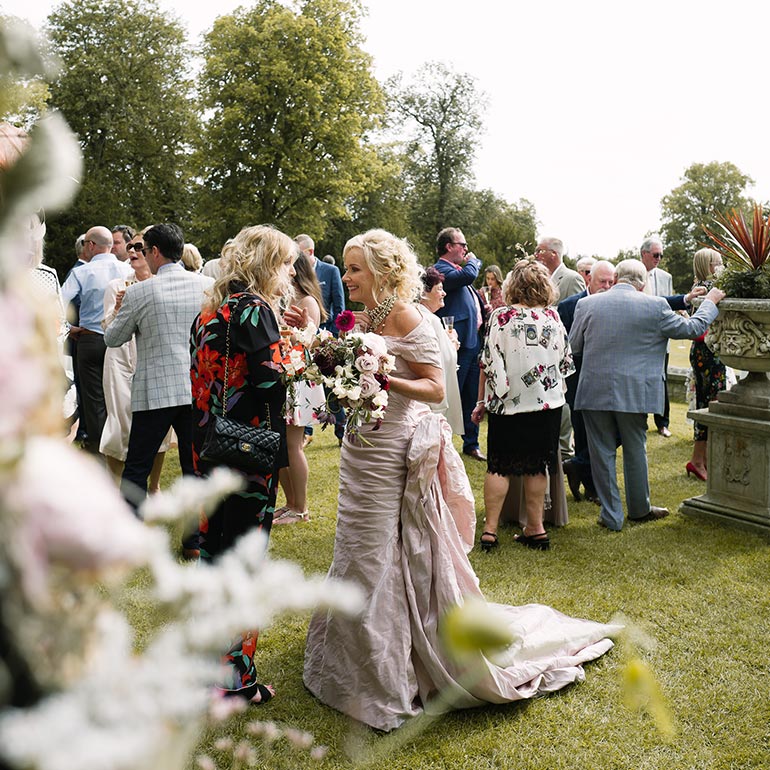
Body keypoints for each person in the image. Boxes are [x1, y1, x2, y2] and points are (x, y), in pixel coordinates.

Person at [304, 229, 620, 733]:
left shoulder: (410, 317)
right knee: (356, 546)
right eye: (347, 267)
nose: (346, 277)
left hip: (393, 452)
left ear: (384, 273)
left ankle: (394, 665)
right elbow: (356, 374)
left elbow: (433, 388)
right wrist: (339, 373)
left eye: (355, 268)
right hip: (361, 446)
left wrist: (382, 379)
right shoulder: (362, 317)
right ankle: (354, 655)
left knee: (380, 549)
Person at [190, 224, 294, 702]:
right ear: (268, 264)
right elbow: (270, 383)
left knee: (214, 553)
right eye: (287, 263)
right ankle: (237, 680)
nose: (291, 273)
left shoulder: (209, 311)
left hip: (209, 448)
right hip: (249, 453)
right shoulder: (254, 310)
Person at [569, 259, 725, 531]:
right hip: (635, 391)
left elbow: (575, 348)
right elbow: (693, 329)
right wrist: (710, 300)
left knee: (602, 452)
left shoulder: (587, 304)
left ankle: (611, 516)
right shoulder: (656, 306)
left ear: (616, 278)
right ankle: (640, 510)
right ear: (643, 283)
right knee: (634, 448)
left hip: (594, 388)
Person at [104, 223, 213, 560]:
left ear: (154, 252)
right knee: (193, 467)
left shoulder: (140, 292)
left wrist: (122, 308)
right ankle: (194, 542)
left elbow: (112, 338)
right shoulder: (208, 286)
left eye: (143, 250)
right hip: (196, 389)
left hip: (154, 390)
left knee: (137, 465)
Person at [471, 259, 574, 552]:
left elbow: (488, 361)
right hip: (547, 404)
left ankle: (490, 531)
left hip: (507, 403)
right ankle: (536, 528)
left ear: (512, 286)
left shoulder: (500, 317)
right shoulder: (554, 318)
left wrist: (483, 401)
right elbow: (565, 364)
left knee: (499, 466)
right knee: (536, 467)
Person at [99, 232, 170, 490]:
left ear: (152, 251)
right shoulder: (116, 286)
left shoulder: (161, 285)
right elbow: (107, 328)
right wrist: (118, 309)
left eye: (138, 246)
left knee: (157, 424)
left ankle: (154, 487)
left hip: (151, 355)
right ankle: (116, 489)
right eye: (129, 246)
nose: (132, 250)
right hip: (119, 358)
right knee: (119, 424)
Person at [62, 226, 133, 455]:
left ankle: (98, 449)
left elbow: (57, 303)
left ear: (91, 245)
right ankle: (123, 445)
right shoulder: (127, 269)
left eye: (85, 244)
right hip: (122, 340)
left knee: (94, 399)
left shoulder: (82, 272)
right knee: (121, 395)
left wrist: (69, 328)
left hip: (90, 340)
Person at [275, 249, 327, 524]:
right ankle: (289, 502)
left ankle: (301, 508)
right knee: (281, 445)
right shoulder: (284, 297)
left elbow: (308, 341)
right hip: (284, 372)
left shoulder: (307, 301)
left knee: (293, 445)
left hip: (297, 375)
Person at [433, 227, 485, 460]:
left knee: (472, 396)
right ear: (448, 246)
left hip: (472, 342)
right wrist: (475, 261)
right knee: (452, 395)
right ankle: (442, 441)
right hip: (456, 344)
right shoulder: (441, 269)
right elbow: (467, 276)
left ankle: (471, 443)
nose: (466, 249)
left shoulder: (458, 270)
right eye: (461, 244)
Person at [295, 233, 345, 445]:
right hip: (303, 336)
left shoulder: (330, 271)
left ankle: (342, 430)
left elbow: (339, 305)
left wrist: (333, 336)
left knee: (331, 386)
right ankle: (305, 431)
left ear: (310, 252)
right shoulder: (294, 275)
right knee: (305, 380)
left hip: (326, 335)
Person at [686, 248, 727, 481]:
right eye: (717, 263)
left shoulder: (698, 287)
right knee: (711, 403)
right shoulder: (708, 289)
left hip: (704, 351)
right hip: (709, 351)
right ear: (707, 265)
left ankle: (701, 459)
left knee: (706, 403)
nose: (721, 268)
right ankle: (700, 460)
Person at [417, 266, 463, 434]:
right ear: (424, 292)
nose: (444, 293)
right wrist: (452, 344)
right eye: (440, 289)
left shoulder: (414, 314)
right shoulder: (432, 320)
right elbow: (447, 359)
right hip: (432, 397)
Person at [640, 235, 674, 437]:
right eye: (655, 254)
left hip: (660, 338)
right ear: (644, 254)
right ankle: (639, 421)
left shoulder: (665, 277)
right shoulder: (631, 271)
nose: (659, 258)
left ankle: (663, 423)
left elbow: (668, 306)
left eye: (661, 254)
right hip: (639, 339)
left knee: (662, 379)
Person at [534, 236, 585, 301]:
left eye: (539, 251)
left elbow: (578, 308)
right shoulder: (538, 278)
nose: (536, 255)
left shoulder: (573, 279)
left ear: (553, 254)